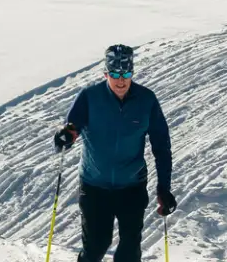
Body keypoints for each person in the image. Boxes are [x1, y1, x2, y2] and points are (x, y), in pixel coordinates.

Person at [52, 44, 174, 262]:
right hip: (94, 187)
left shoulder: (146, 100)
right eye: (115, 74)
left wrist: (164, 188)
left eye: (126, 74)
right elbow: (72, 127)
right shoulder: (90, 97)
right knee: (96, 246)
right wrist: (66, 136)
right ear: (106, 73)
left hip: (132, 187)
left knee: (129, 252)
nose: (121, 81)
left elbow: (161, 146)